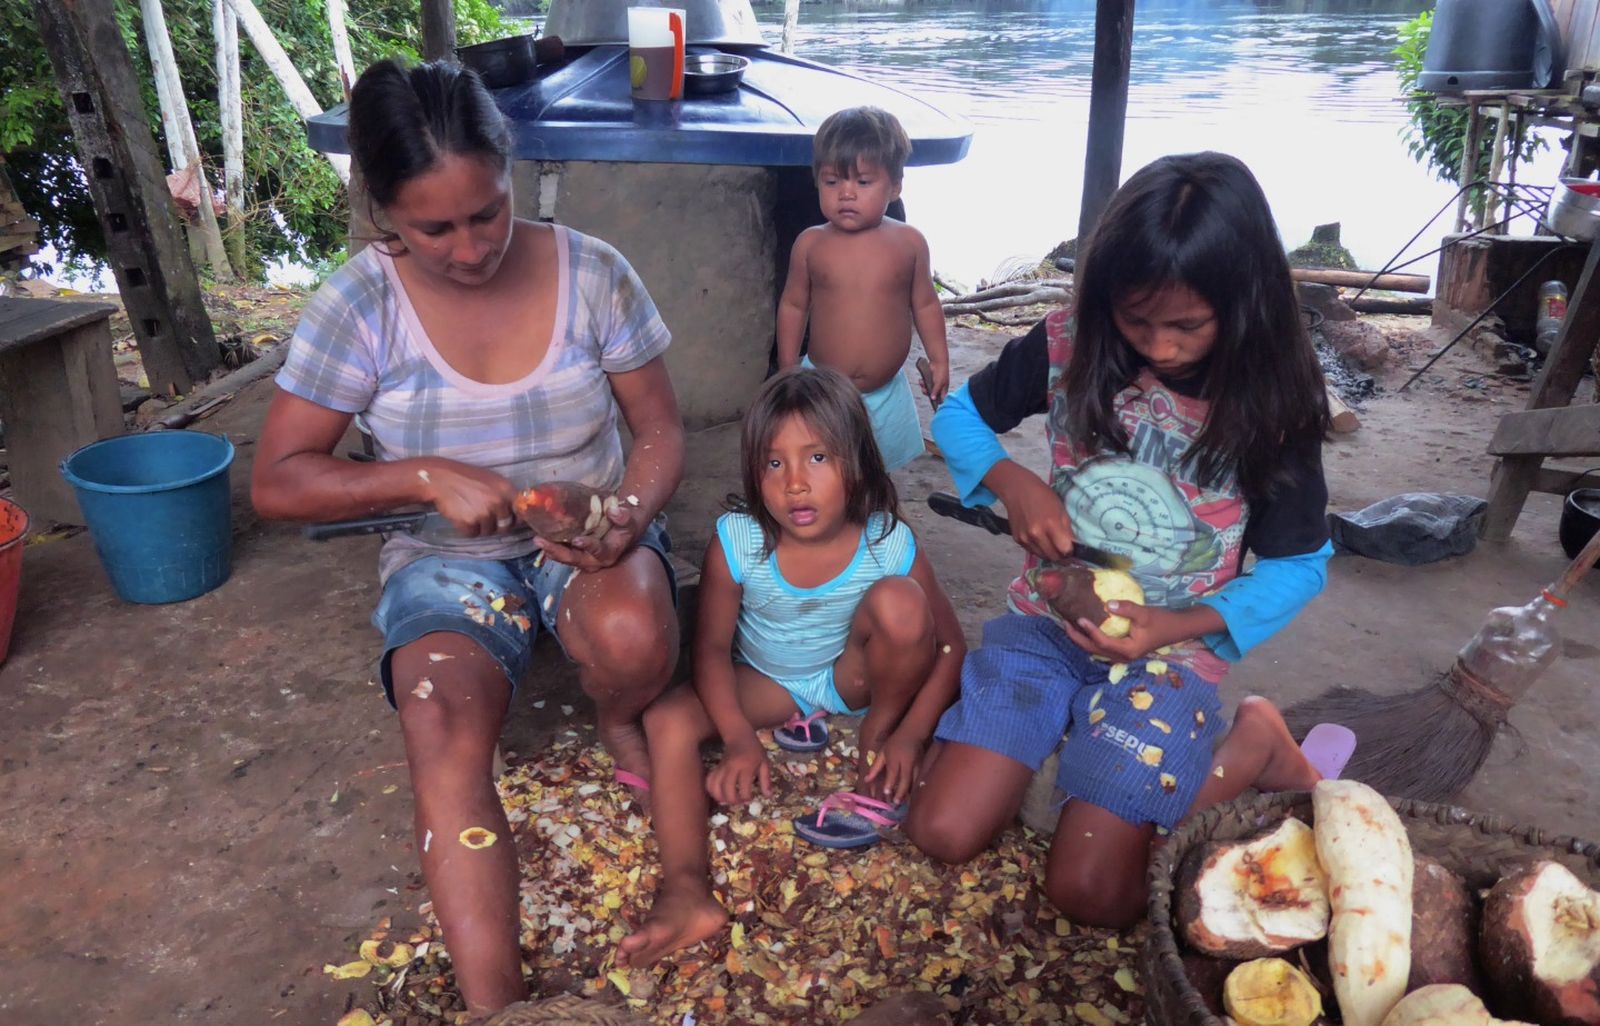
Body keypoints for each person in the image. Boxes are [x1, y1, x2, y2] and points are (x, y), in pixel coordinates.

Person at [250, 60, 683, 1015]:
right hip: (446, 563)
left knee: (633, 640)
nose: (469, 246)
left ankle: (619, 713)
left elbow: (658, 431)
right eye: (432, 227)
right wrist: (418, 475)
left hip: (584, 537)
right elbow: (277, 482)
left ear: (509, 168)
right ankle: (503, 1008)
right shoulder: (360, 305)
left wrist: (625, 516)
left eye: (487, 212)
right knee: (439, 718)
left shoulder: (593, 270)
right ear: (382, 212)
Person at [905, 152, 1337, 929]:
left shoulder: (1272, 407)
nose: (1159, 347)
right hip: (1049, 621)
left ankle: (1256, 743)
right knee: (941, 832)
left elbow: (1301, 566)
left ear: (1244, 306)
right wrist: (1014, 481)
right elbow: (959, 417)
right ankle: (1061, 733)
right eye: (1137, 320)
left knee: (1094, 896)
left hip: (1168, 656)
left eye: (1187, 326)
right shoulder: (1072, 339)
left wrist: (1177, 625)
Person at [616, 366, 966, 968]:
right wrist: (735, 740)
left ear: (856, 461)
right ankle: (685, 889)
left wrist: (906, 735)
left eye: (818, 458)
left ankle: (872, 735)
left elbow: (950, 648)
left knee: (902, 606)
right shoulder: (740, 540)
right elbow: (708, 651)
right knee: (669, 721)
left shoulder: (885, 539)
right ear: (754, 471)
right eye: (774, 464)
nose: (795, 485)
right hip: (768, 681)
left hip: (849, 676)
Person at [776, 106, 950, 471]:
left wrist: (939, 359)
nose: (846, 194)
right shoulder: (810, 244)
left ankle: (874, 526)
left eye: (863, 182)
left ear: (896, 185)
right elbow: (794, 305)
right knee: (823, 471)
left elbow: (925, 304)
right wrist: (788, 366)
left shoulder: (909, 243)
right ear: (817, 182)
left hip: (884, 393)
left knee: (878, 475)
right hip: (822, 389)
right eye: (832, 181)